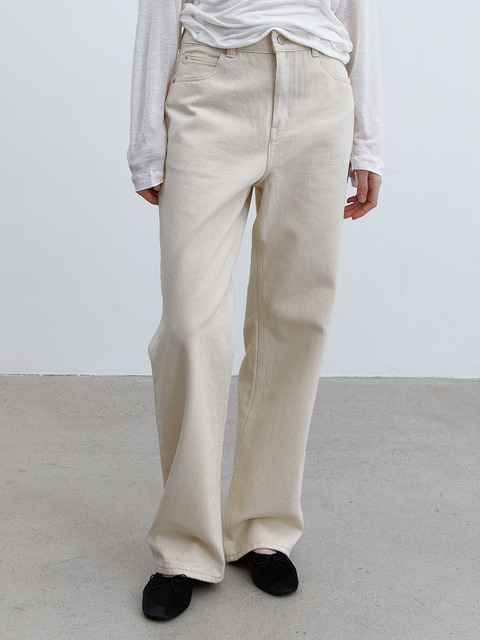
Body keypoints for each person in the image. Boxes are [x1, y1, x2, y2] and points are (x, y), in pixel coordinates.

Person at [128, 0, 383, 621]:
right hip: (213, 83)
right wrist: (146, 140)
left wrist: (368, 142)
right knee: (190, 325)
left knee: (295, 320)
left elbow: (359, 11)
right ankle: (185, 545)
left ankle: (263, 527)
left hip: (320, 89)